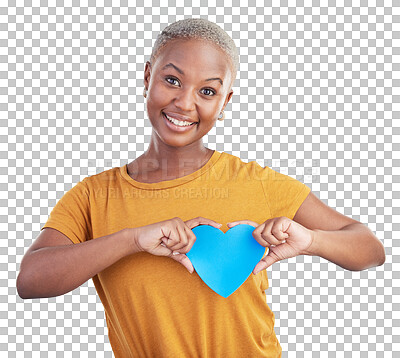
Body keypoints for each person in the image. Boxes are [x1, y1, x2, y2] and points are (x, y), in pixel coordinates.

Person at [17, 18, 385, 357]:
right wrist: (130, 240)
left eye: (208, 91)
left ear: (225, 103)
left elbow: (369, 248)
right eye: (172, 80)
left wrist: (313, 241)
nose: (184, 102)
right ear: (147, 77)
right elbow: (31, 279)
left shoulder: (259, 183)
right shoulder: (93, 196)